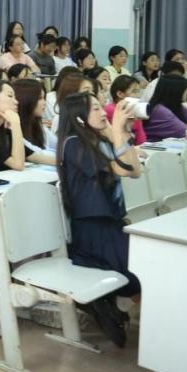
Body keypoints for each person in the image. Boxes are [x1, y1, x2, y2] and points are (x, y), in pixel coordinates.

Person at [56, 92, 143, 347]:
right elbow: (121, 169)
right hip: (93, 228)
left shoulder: (98, 139)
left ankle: (115, 303)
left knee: (144, 267)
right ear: (79, 117)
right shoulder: (73, 144)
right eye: (95, 108)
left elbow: (135, 171)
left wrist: (122, 132)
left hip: (111, 223)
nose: (103, 112)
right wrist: (117, 129)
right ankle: (112, 302)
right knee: (140, 271)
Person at [144, 75, 187, 141]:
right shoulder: (159, 110)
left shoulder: (179, 107)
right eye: (186, 89)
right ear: (176, 91)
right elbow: (185, 132)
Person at [10, 78, 58, 162]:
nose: (44, 102)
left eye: (44, 98)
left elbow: (58, 145)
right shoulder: (12, 126)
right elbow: (35, 153)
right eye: (40, 98)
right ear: (25, 99)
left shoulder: (38, 124)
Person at [104, 75, 147, 145]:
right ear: (120, 94)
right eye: (134, 91)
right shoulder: (110, 109)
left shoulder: (132, 110)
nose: (138, 96)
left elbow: (141, 141)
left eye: (138, 92)